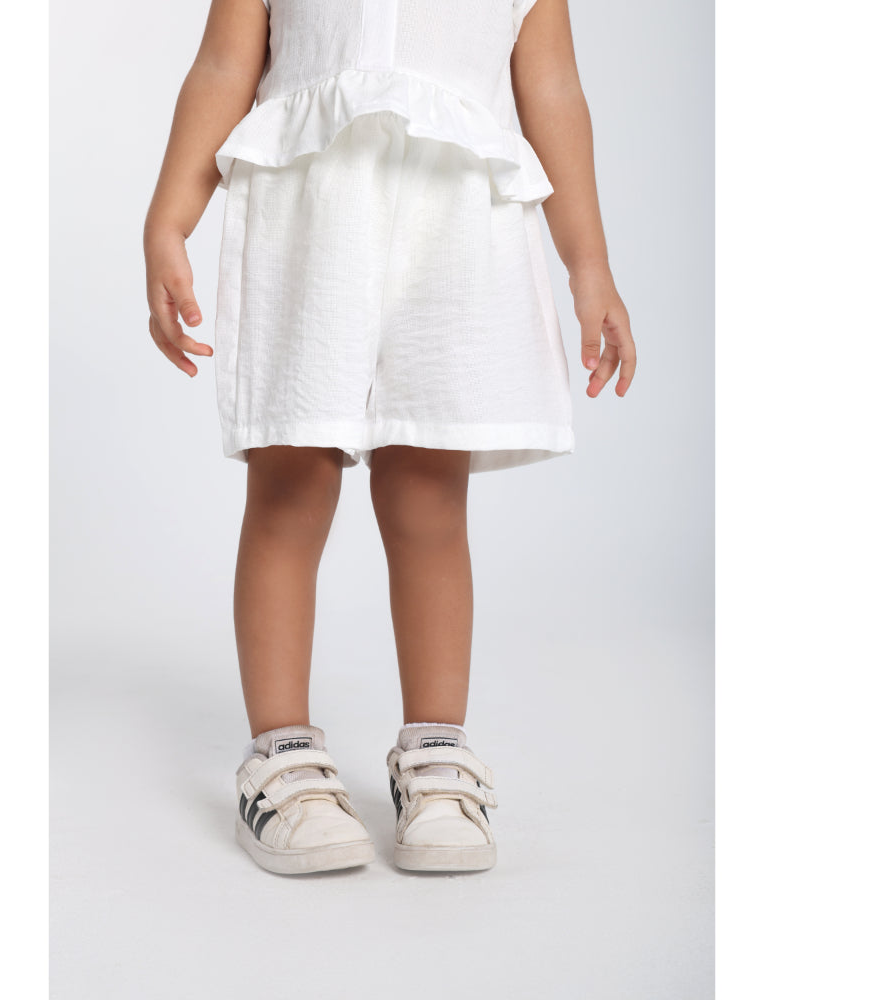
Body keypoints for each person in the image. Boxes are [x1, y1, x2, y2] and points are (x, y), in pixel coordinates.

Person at [143, 0, 636, 876]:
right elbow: (223, 66)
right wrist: (169, 218)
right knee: (291, 483)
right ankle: (281, 757)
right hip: (311, 211)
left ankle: (437, 756)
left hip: (455, 216)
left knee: (428, 494)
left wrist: (588, 263)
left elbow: (554, 87)